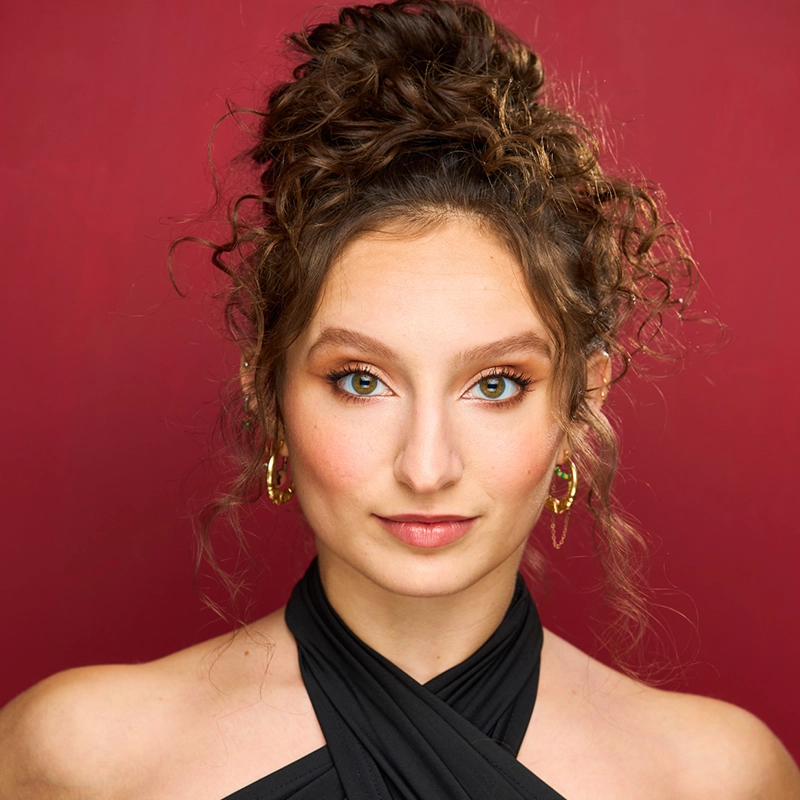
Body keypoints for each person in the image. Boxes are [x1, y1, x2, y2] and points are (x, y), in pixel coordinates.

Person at [1, 0, 798, 798]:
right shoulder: (79, 759)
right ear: (267, 389)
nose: (426, 466)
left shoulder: (715, 779)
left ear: (576, 406)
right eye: (361, 381)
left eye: (495, 384)